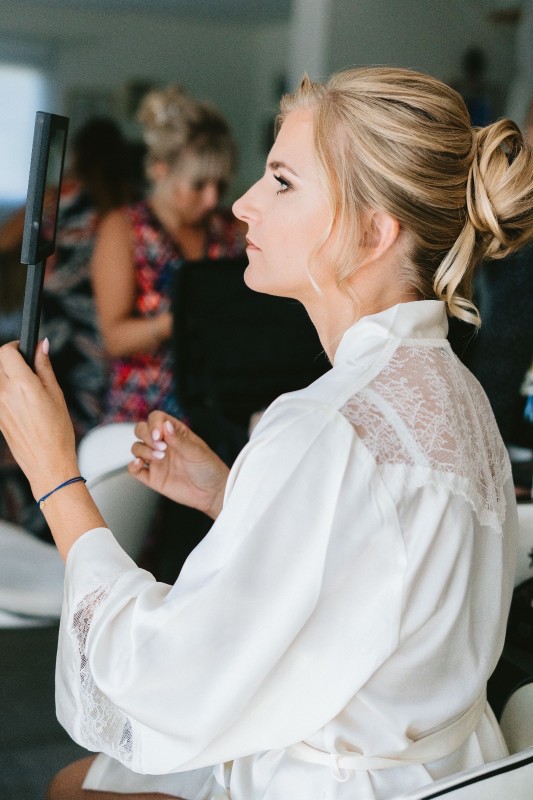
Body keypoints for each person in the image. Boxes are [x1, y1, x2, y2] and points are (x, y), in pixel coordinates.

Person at [1, 65, 533, 800]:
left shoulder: (325, 424)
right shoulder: (455, 394)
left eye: (281, 182)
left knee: (70, 787)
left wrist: (54, 473)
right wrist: (232, 494)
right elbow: (378, 558)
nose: (244, 205)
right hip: (443, 769)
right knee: (76, 785)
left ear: (373, 232)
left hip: (334, 783)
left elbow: (164, 675)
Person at [92, 84, 245, 424]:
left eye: (220, 186)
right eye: (198, 185)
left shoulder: (231, 228)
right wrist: (179, 324)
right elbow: (115, 338)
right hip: (143, 414)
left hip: (220, 407)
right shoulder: (124, 229)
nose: (211, 199)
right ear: (161, 170)